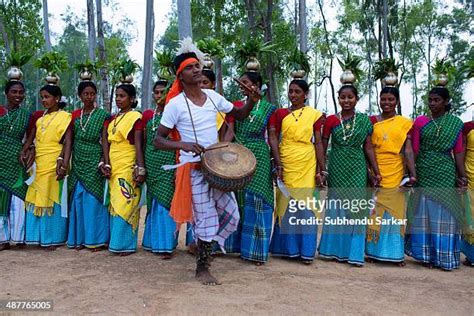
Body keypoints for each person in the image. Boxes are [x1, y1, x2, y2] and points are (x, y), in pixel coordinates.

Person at [154, 39, 259, 285]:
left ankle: (201, 243)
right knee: (207, 218)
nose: (197, 69)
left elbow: (240, 114)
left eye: (198, 66)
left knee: (232, 215)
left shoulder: (212, 97)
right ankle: (203, 266)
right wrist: (183, 145)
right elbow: (158, 140)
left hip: (217, 168)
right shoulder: (175, 105)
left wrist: (252, 100)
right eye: (191, 67)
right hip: (194, 169)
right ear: (181, 75)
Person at [318, 83, 381, 266]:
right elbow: (322, 145)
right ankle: (333, 250)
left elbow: (368, 147)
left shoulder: (364, 120)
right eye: (342, 97)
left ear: (356, 98)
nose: (346, 101)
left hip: (357, 167)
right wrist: (323, 169)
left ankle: (354, 253)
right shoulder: (331, 120)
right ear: (338, 99)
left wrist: (375, 172)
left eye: (350, 97)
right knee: (337, 206)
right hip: (337, 165)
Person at [405, 86, 466, 271]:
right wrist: (412, 173)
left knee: (445, 213)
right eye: (430, 100)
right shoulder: (421, 121)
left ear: (446, 101)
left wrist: (461, 175)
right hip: (424, 170)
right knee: (423, 214)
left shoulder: (455, 123)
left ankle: (444, 257)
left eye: (436, 100)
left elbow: (459, 151)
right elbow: (414, 149)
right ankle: (425, 256)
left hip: (445, 171)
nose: (432, 103)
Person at [268, 76, 325, 264]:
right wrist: (277, 163)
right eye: (291, 91)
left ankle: (306, 251)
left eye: (297, 92)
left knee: (306, 204)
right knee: (285, 202)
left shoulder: (315, 114)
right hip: (286, 158)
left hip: (307, 162)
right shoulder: (280, 113)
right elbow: (273, 137)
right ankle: (286, 249)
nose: (293, 95)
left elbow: (318, 142)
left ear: (305, 94)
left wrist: (321, 170)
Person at [222, 65, 276, 264]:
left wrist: (277, 163)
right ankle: (232, 246)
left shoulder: (269, 109)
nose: (242, 86)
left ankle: (255, 252)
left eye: (246, 83)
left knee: (258, 199)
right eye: (241, 83)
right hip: (238, 153)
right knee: (237, 197)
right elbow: (229, 131)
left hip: (260, 155)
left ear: (257, 86)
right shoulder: (236, 106)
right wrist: (223, 152)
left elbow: (271, 136)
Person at [366, 86, 415, 265]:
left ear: (397, 101)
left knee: (395, 214)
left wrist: (412, 174)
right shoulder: (371, 121)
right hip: (376, 170)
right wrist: (370, 173)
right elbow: (367, 148)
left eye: (390, 100)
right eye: (383, 99)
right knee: (374, 214)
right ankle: (372, 252)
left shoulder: (405, 123)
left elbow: (408, 150)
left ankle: (395, 255)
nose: (386, 103)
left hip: (396, 171)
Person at [23, 84, 72, 250]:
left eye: (47, 97)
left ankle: (53, 238)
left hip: (54, 162)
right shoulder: (40, 119)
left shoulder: (65, 116)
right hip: (39, 161)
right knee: (37, 196)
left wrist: (63, 161)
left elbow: (68, 142)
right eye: (42, 97)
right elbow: (31, 141)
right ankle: (36, 237)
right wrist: (27, 151)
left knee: (51, 197)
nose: (44, 100)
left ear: (57, 98)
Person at [100, 82, 144, 255]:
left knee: (126, 202)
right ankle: (116, 242)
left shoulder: (136, 118)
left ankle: (125, 245)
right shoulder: (112, 119)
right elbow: (106, 142)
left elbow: (139, 146)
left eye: (122, 96)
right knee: (115, 203)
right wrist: (106, 163)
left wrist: (140, 168)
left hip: (128, 164)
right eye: (117, 96)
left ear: (132, 99)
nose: (118, 99)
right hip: (114, 164)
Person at [67, 80, 110, 251]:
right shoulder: (75, 115)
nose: (89, 97)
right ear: (79, 96)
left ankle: (96, 240)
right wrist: (64, 160)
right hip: (78, 159)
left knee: (94, 200)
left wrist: (105, 161)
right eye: (86, 94)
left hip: (94, 159)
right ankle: (78, 239)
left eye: (92, 93)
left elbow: (105, 140)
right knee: (78, 199)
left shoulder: (103, 115)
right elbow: (69, 140)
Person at [142, 80, 178, 258]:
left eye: (163, 92)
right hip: (151, 161)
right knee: (153, 201)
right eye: (156, 93)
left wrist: (178, 169)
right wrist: (141, 165)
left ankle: (166, 245)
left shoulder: (176, 114)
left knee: (166, 201)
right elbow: (143, 142)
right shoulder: (148, 115)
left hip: (169, 162)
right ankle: (151, 242)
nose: (159, 96)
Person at [0, 79, 32, 250]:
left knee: (19, 197)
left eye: (21, 92)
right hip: (1, 158)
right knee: (0, 198)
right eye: (14, 92)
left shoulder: (27, 115)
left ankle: (19, 237)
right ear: (6, 93)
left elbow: (31, 138)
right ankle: (2, 239)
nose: (18, 95)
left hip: (17, 159)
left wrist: (27, 150)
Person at [462, 120, 474, 266]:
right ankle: (472, 256)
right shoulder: (468, 127)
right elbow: (461, 151)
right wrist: (461, 175)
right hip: (471, 176)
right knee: (470, 213)